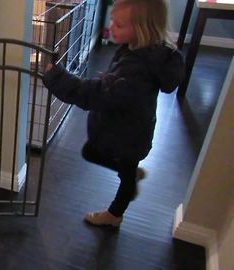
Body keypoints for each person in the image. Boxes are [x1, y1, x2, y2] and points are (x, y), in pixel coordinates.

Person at [42, 0, 184, 227]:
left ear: (141, 28)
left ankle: (114, 215)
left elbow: (93, 94)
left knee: (122, 174)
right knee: (94, 153)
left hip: (128, 135)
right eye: (112, 20)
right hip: (127, 127)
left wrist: (57, 78)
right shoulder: (139, 51)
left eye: (119, 24)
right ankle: (129, 173)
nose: (111, 26)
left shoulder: (135, 70)